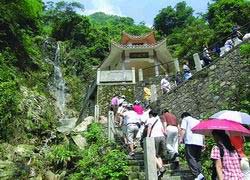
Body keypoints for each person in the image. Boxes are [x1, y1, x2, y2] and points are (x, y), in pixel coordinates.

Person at [179, 112, 205, 180]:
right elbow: (202, 132)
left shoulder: (185, 119)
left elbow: (183, 130)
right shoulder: (197, 121)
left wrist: (180, 139)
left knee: (190, 158)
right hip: (199, 142)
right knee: (197, 158)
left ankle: (196, 175)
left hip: (190, 141)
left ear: (183, 116)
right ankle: (200, 174)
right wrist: (203, 143)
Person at [146, 109, 167, 177]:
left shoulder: (150, 119)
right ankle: (159, 171)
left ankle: (161, 167)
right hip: (162, 137)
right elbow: (162, 129)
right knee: (158, 155)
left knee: (152, 154)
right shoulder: (159, 120)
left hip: (155, 137)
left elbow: (149, 128)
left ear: (151, 114)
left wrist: (147, 137)